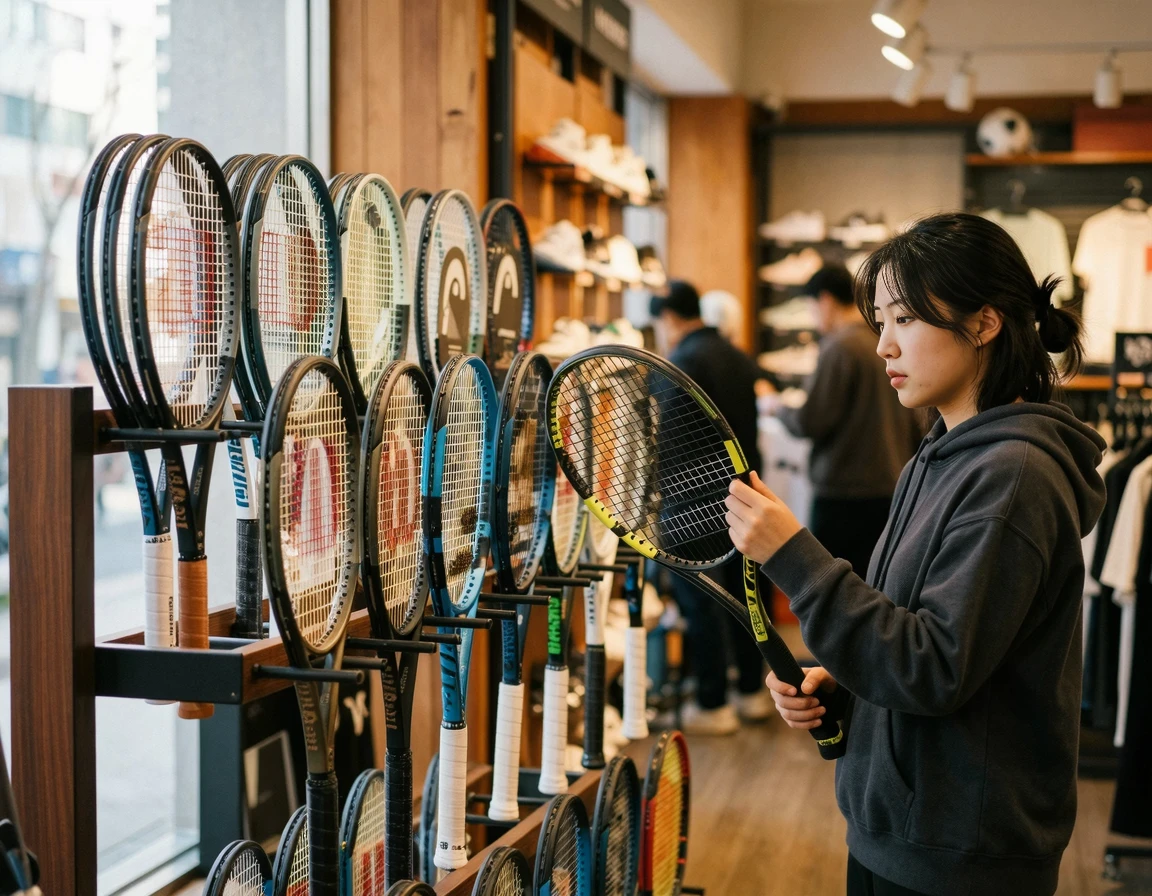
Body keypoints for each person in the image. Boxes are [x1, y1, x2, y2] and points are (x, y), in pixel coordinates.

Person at [724, 213, 1105, 896]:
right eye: (880, 322)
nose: (883, 347)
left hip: (958, 858)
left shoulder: (1013, 475)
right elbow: (920, 636)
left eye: (904, 319)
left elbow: (934, 668)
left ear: (984, 323)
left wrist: (795, 556)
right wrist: (847, 689)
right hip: (901, 833)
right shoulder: (937, 453)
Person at [650, 280, 773, 735]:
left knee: (701, 603)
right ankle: (752, 694)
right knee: (746, 596)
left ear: (668, 319)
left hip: (690, 502)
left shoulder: (679, 362)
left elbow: (666, 446)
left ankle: (713, 702)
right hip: (744, 495)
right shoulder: (738, 357)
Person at [759, 264, 921, 577]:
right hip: (891, 484)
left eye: (810, 307)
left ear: (825, 300)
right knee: (874, 586)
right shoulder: (882, 343)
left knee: (832, 588)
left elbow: (811, 422)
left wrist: (775, 406)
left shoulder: (839, 347)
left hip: (844, 492)